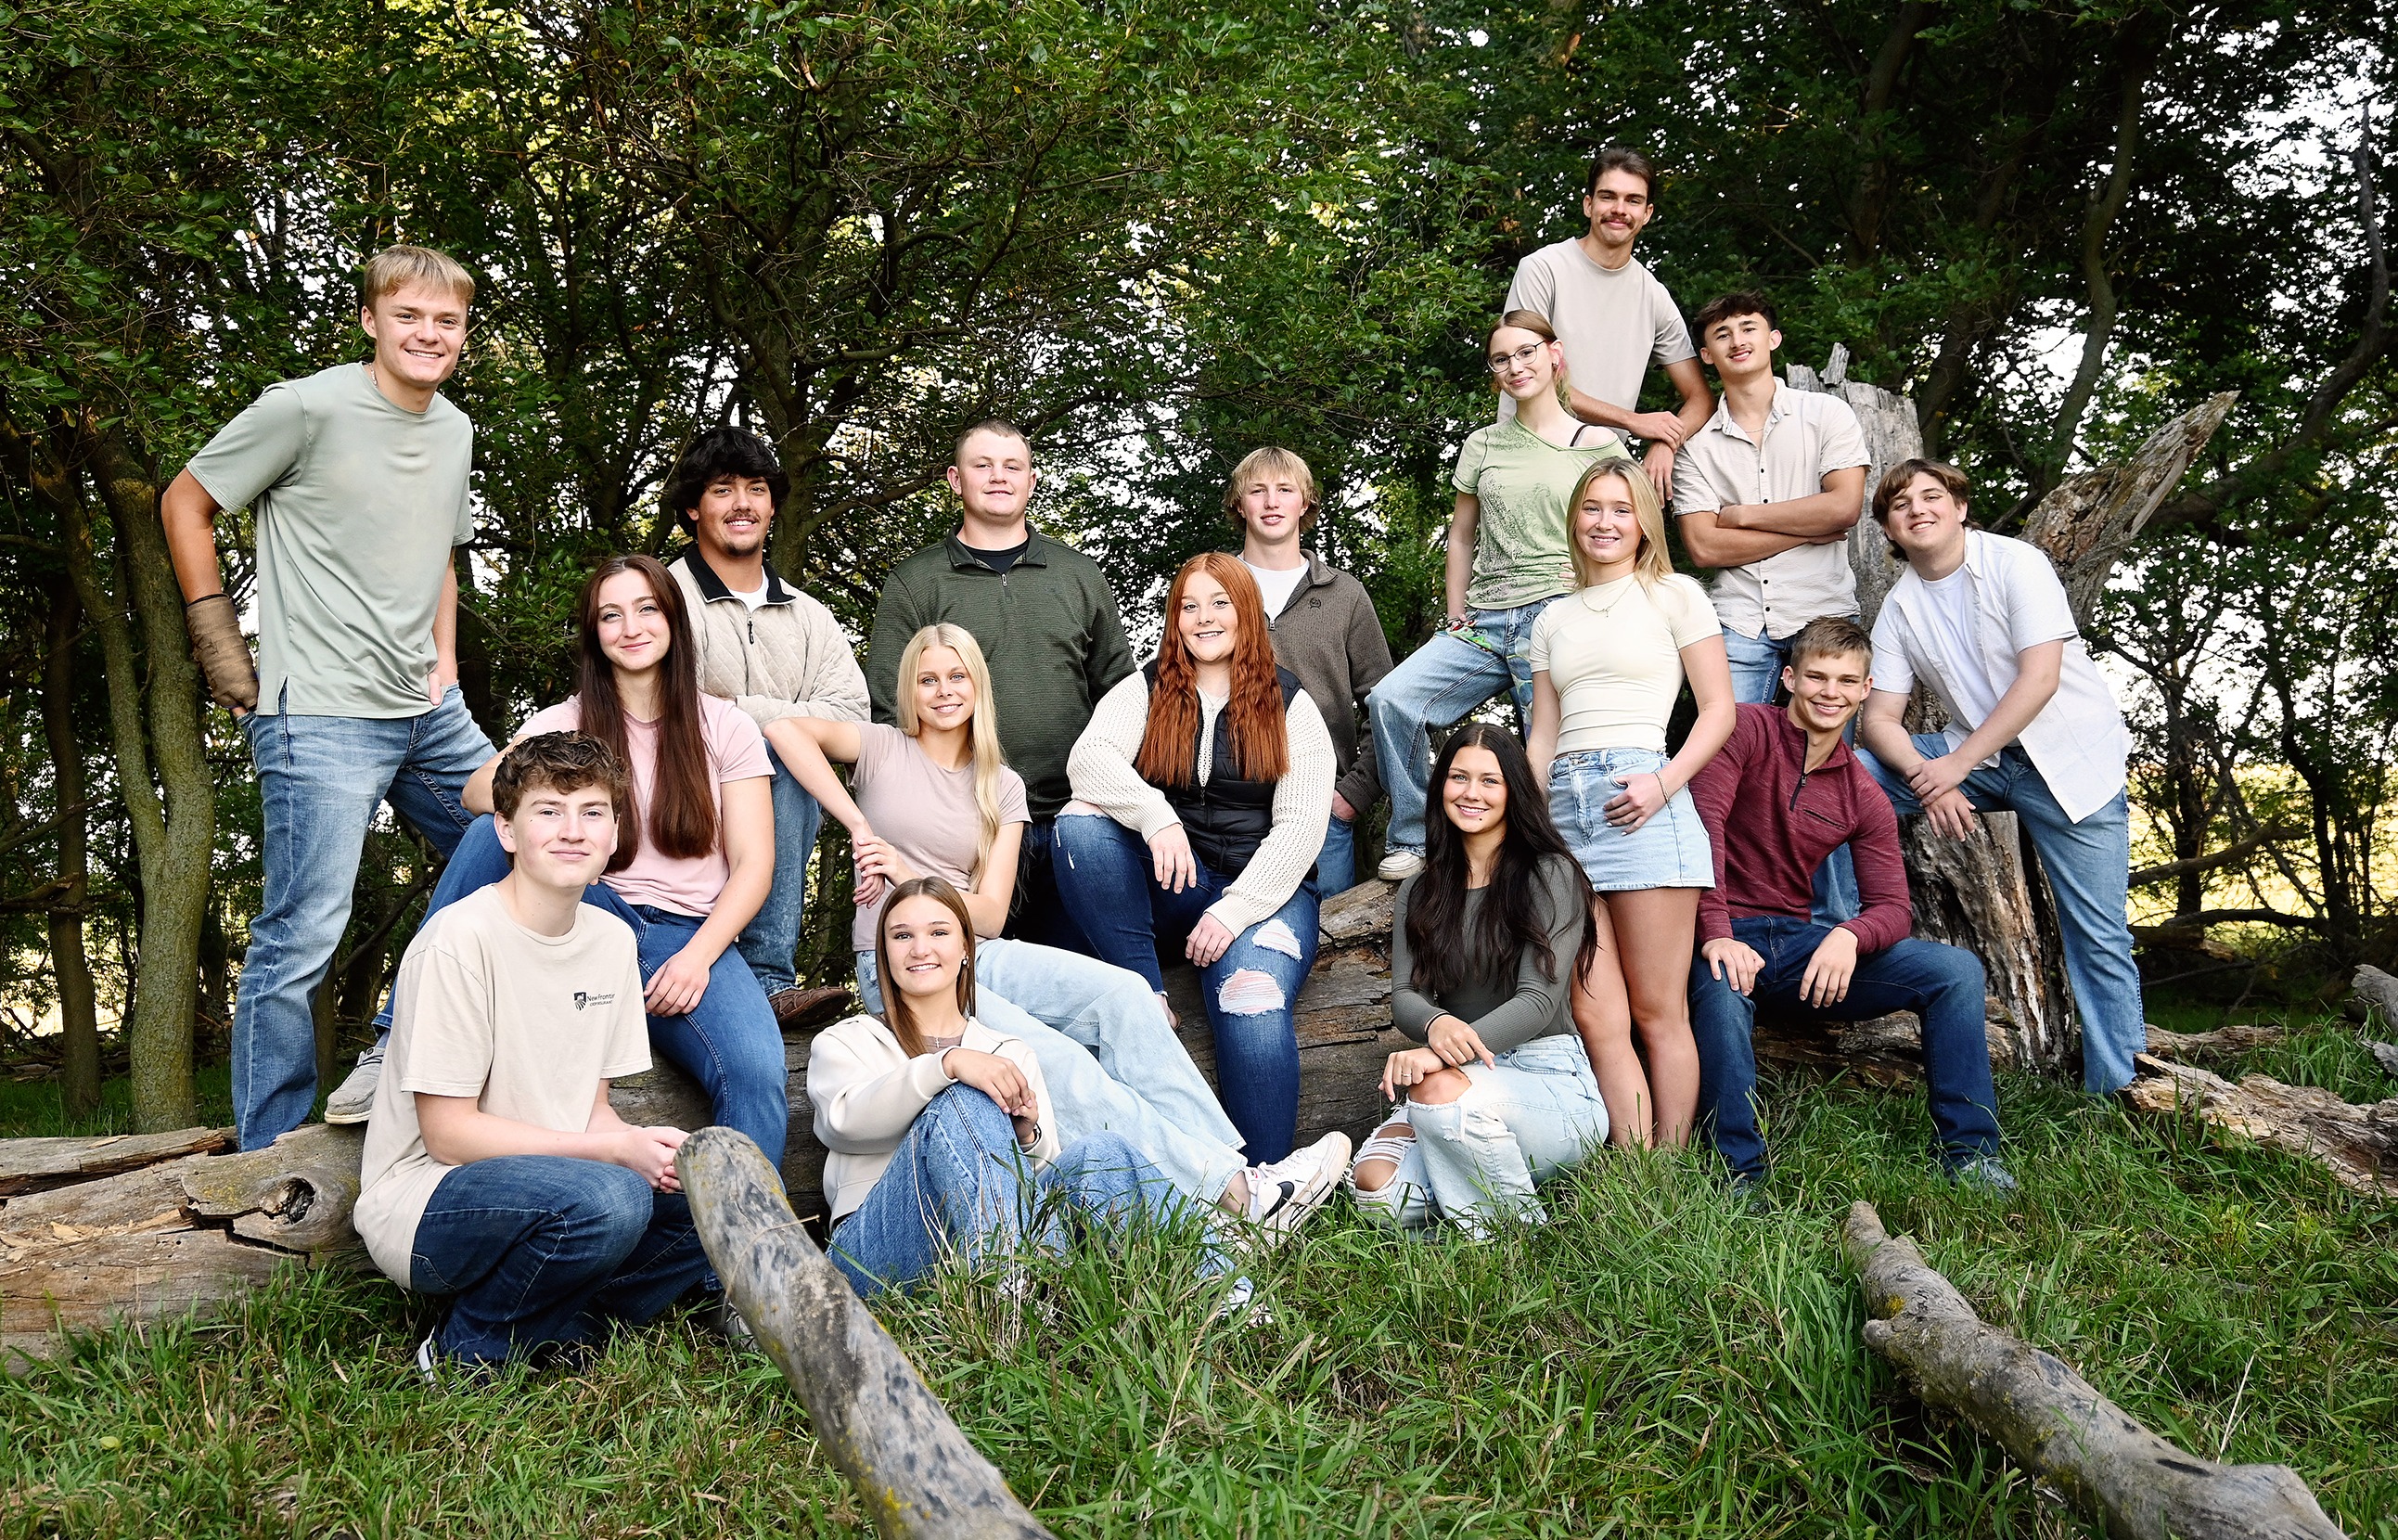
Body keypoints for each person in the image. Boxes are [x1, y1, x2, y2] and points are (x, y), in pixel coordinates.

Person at [770, 622, 1352, 1236]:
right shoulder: (878, 748)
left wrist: (906, 868)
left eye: (957, 676)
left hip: (978, 948)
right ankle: (1236, 1196)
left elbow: (990, 914)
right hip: (902, 963)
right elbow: (784, 731)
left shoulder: (1002, 785)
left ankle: (1234, 1182)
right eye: (927, 679)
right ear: (909, 690)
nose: (943, 691)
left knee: (1126, 996)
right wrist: (860, 828)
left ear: (978, 687)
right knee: (1054, 1059)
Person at [162, 245, 498, 1149]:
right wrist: (216, 638)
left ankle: (396, 1046)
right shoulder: (303, 408)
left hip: (427, 714)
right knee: (300, 934)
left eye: (446, 321)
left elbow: (441, 552)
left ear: (462, 333)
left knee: (530, 836)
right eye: (410, 316)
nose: (428, 334)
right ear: (370, 321)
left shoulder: (454, 430)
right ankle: (265, 1151)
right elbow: (185, 502)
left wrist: (447, 661)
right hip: (318, 713)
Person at [359, 555, 789, 1170]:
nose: (631, 627)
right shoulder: (567, 723)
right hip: (588, 912)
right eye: (610, 615)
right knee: (492, 830)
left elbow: (754, 865)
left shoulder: (725, 726)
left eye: (646, 609)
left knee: (755, 1072)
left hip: (689, 937)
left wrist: (697, 958)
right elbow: (478, 791)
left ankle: (741, 1253)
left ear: (673, 620)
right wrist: (546, 777)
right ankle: (391, 1039)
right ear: (594, 634)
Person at [355, 732, 710, 1374]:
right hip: (426, 1204)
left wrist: (641, 1147)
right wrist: (611, 1154)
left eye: (591, 812)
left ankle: (561, 1326)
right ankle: (469, 1347)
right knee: (610, 1200)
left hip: (563, 1182)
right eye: (548, 810)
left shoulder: (609, 940)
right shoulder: (459, 942)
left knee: (707, 1196)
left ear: (613, 831)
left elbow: (591, 1111)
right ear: (507, 831)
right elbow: (448, 1136)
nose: (572, 830)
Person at [811, 877, 1248, 1308]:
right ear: (884, 954)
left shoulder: (1009, 1050)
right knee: (964, 1098)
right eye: (901, 936)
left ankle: (1234, 1296)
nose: (920, 949)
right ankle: (1009, 1297)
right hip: (882, 1246)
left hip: (1011, 1239)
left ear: (966, 949)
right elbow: (844, 1123)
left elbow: (1041, 1177)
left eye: (938, 933)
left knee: (1104, 1150)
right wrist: (948, 1066)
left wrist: (1024, 1138)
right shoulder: (848, 1039)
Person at [1686, 618, 2013, 1193]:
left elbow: (1892, 907)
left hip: (1797, 945)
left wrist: (1848, 936)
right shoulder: (1744, 731)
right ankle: (1738, 1173)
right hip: (1719, 932)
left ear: (1866, 690)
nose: (1829, 692)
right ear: (1789, 678)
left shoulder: (1863, 794)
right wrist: (1716, 932)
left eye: (1845, 680)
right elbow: (1702, 828)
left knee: (1955, 971)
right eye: (1815, 676)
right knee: (1719, 989)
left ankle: (1971, 1156)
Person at [1855, 460, 2145, 1096]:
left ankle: (2120, 1092)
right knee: (1843, 775)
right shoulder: (1899, 608)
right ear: (1888, 529)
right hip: (1978, 760)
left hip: (2068, 762)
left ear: (1960, 508)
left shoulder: (2016, 563)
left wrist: (1951, 768)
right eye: (1900, 505)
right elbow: (1877, 718)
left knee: (2097, 936)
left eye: (1932, 497)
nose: (1918, 510)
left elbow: (2038, 679)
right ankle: (1833, 937)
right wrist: (1926, 775)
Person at [1055, 555, 1336, 1163]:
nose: (1203, 618)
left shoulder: (1291, 706)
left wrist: (1235, 912)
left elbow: (1298, 831)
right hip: (1175, 885)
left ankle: (1262, 1189)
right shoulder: (1147, 687)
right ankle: (1143, 994)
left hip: (1264, 893)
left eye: (1219, 603)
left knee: (1251, 996)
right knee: (1079, 823)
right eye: (1188, 605)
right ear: (1173, 618)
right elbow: (1088, 760)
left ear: (1246, 614)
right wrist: (1156, 817)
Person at [1366, 313, 1633, 881]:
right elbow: (1463, 534)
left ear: (1555, 355)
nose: (1516, 366)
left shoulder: (1599, 444)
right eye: (1502, 358)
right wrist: (1457, 608)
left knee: (1554, 755)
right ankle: (1413, 839)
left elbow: (1628, 531)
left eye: (1527, 351)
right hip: (1487, 619)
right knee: (1394, 699)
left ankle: (1556, 871)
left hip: (1560, 614)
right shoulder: (1483, 443)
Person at [1527, 459, 1735, 1149]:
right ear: (1574, 519)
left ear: (1644, 519)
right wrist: (1528, 827)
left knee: (1656, 1012)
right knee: (1595, 1014)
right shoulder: (1550, 617)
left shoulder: (1675, 595)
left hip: (1642, 796)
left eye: (1621, 508)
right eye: (1591, 508)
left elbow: (1717, 712)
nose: (1604, 522)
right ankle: (1631, 1167)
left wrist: (1663, 783)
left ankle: (1670, 1173)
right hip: (1563, 808)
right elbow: (1543, 736)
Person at [867, 421, 1135, 948]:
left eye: (1012, 466)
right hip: (965, 830)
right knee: (970, 993)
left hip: (1071, 821)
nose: (998, 477)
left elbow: (1121, 695)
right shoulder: (916, 583)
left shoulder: (1076, 574)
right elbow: (888, 711)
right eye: (982, 465)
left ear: (1032, 480)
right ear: (954, 479)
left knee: (1072, 985)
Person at [1350, 724, 1609, 1237]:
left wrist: (1439, 1054)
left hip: (1548, 1079)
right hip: (1461, 1079)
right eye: (1458, 777)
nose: (1471, 793)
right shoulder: (1422, 889)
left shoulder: (1550, 873)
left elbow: (1538, 1002)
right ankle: (1472, 1182)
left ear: (1514, 790)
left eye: (1490, 781)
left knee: (1439, 1092)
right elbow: (1406, 995)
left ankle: (1508, 1243)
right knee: (1375, 1189)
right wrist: (1437, 1023)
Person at [1673, 290, 1874, 918]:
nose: (1737, 340)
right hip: (1737, 620)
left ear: (1772, 338)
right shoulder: (1696, 447)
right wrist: (1803, 525)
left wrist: (1744, 517)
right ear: (1706, 355)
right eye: (1722, 334)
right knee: (1720, 768)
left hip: (1822, 616)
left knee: (1826, 768)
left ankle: (1835, 925)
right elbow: (1703, 546)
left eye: (1749, 328)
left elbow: (1843, 507)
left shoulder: (1824, 417)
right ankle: (1725, 920)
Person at [662, 427, 870, 1022]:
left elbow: (854, 720)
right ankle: (750, 975)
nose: (742, 504)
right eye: (723, 490)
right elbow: (672, 704)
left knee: (786, 753)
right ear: (692, 508)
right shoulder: (667, 598)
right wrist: (789, 718)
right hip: (681, 783)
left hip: (774, 796)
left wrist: (745, 708)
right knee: (781, 746)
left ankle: (768, 984)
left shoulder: (808, 615)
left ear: (774, 506)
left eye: (756, 489)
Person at [1226, 446, 1393, 893]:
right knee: (1222, 944)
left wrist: (1353, 795)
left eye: (1285, 490)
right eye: (1257, 491)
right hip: (1224, 812)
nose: (1271, 501)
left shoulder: (1344, 594)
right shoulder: (1212, 586)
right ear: (1239, 504)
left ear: (1306, 502)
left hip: (1322, 811)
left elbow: (1387, 704)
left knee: (1329, 957)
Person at [1501, 147, 1712, 498]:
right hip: (1529, 462)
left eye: (1633, 200)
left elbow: (1701, 399)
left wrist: (1667, 440)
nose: (1619, 209)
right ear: (1588, 205)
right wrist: (1634, 421)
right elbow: (1535, 379)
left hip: (1601, 478)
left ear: (1647, 214)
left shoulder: (1653, 295)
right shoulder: (1543, 269)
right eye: (1608, 196)